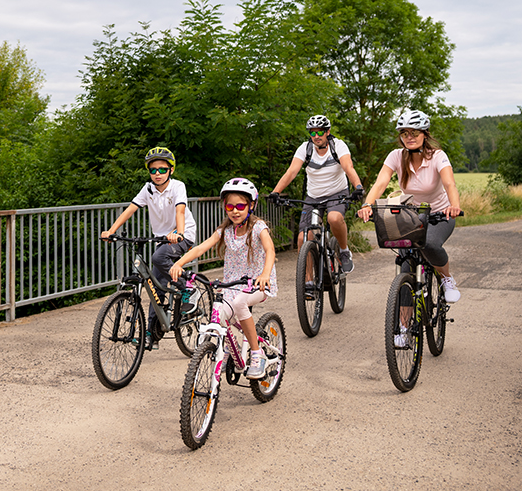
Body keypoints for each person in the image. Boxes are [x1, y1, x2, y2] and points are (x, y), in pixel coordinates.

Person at [357, 110, 462, 344]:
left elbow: (449, 183)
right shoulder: (396, 156)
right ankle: (404, 329)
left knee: (431, 244)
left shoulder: (438, 156)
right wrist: (367, 204)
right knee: (406, 266)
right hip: (412, 216)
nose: (409, 137)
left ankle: (446, 279)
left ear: (425, 134)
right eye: (405, 133)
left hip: (439, 214)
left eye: (414, 133)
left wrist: (454, 206)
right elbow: (381, 183)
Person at [170, 178, 277, 380]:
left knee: (239, 304)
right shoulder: (225, 230)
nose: (235, 211)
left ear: (251, 205)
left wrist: (264, 274)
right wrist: (179, 263)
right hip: (232, 285)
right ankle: (229, 349)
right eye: (230, 206)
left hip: (257, 284)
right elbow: (202, 247)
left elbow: (270, 250)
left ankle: (256, 353)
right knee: (219, 315)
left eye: (240, 206)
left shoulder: (258, 227)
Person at [101, 147, 197, 350]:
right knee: (155, 284)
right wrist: (111, 231)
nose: (157, 174)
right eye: (153, 170)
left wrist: (178, 233)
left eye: (162, 169)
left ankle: (189, 288)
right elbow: (130, 209)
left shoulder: (178, 186)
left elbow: (180, 210)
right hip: (162, 238)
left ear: (170, 170)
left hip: (182, 234)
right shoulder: (148, 189)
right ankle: (151, 334)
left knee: (158, 257)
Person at [268, 115, 364, 285]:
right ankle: (309, 282)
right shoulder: (305, 149)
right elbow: (292, 172)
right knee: (302, 238)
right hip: (313, 196)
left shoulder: (338, 146)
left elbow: (348, 167)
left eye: (320, 132)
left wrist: (358, 187)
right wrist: (276, 192)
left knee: (334, 218)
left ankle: (343, 250)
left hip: (337, 193)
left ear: (328, 132)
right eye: (312, 133)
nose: (316, 136)